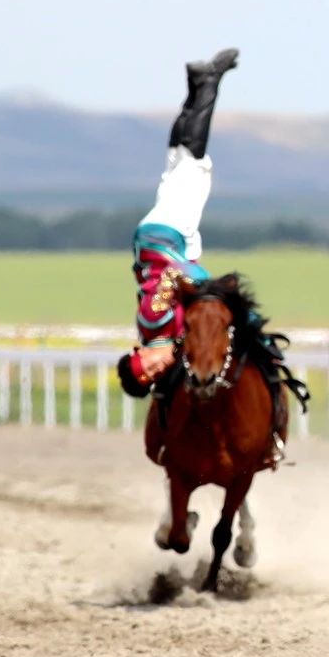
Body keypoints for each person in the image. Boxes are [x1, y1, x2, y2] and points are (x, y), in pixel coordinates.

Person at [117, 48, 238, 398]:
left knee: (194, 166)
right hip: (162, 238)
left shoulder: (155, 321)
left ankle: (210, 82)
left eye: (148, 367)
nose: (158, 368)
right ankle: (195, 85)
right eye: (153, 376)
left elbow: (174, 276)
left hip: (166, 239)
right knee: (178, 163)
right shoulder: (162, 333)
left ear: (139, 353)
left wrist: (207, 285)